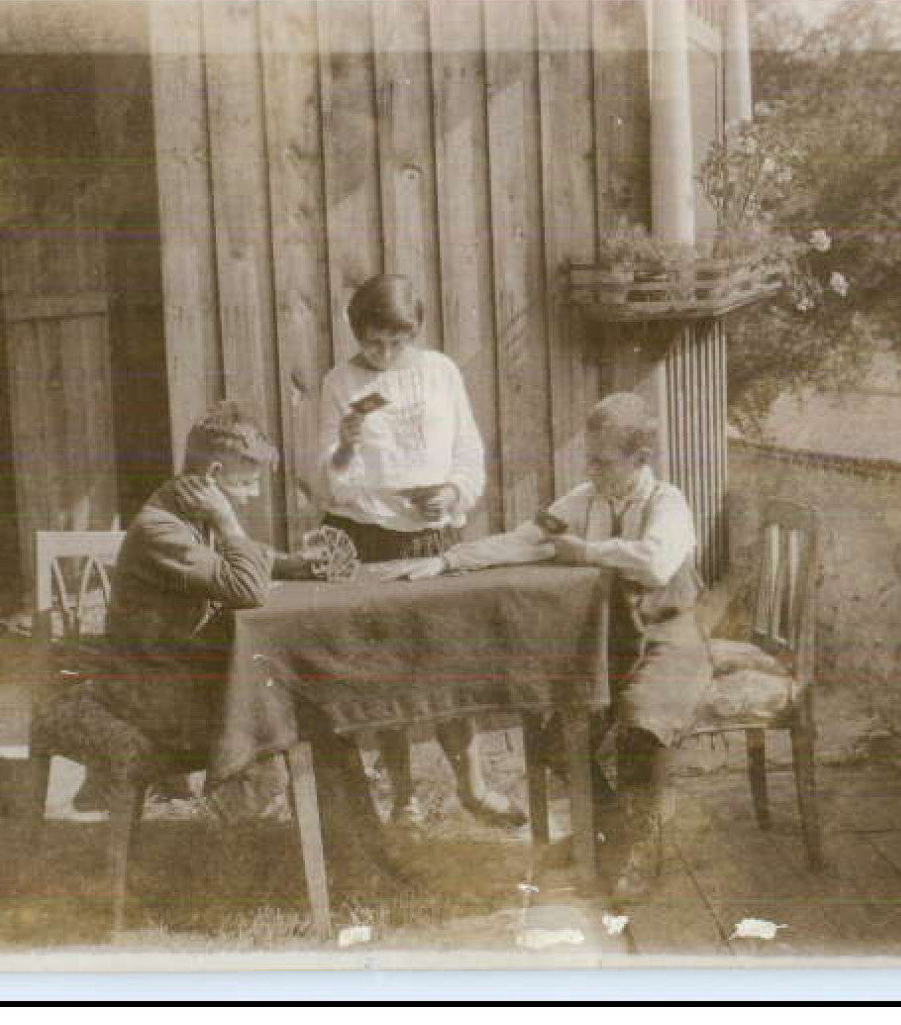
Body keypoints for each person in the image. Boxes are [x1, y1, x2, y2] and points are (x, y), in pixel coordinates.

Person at [396, 392, 713, 896]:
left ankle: (638, 848)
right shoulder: (583, 500)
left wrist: (585, 550)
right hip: (613, 646)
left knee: (642, 722)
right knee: (557, 735)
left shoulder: (667, 503)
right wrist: (450, 560)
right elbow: (525, 537)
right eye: (588, 458)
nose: (592, 470)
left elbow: (653, 564)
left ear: (641, 459)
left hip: (670, 639)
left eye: (603, 461)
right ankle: (609, 830)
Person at [78, 401, 396, 880]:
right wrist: (227, 520)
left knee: (318, 707)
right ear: (212, 476)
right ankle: (342, 863)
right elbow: (245, 587)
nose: (249, 498)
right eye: (245, 485)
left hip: (179, 676)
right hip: (148, 695)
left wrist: (298, 563)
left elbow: (250, 560)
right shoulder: (160, 528)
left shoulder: (185, 514)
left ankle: (360, 859)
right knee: (310, 711)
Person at [317, 273, 524, 829]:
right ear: (355, 332)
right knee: (387, 671)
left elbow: (468, 453)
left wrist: (454, 493)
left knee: (448, 663)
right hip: (368, 538)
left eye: (396, 341)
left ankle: (473, 788)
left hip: (434, 538)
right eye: (372, 342)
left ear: (418, 331)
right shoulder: (340, 381)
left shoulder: (441, 373)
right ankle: (403, 797)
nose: (383, 353)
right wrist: (345, 444)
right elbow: (333, 482)